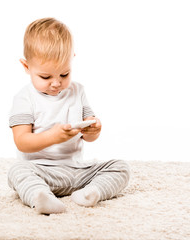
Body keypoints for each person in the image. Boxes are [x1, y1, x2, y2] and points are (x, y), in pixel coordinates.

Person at [8, 17, 130, 214]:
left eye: (64, 74)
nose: (56, 83)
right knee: (16, 171)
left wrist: (94, 129)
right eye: (46, 77)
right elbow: (22, 141)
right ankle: (41, 196)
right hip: (41, 171)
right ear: (26, 67)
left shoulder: (77, 91)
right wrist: (52, 137)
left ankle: (91, 192)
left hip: (77, 171)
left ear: (72, 59)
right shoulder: (24, 98)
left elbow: (89, 136)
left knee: (121, 167)